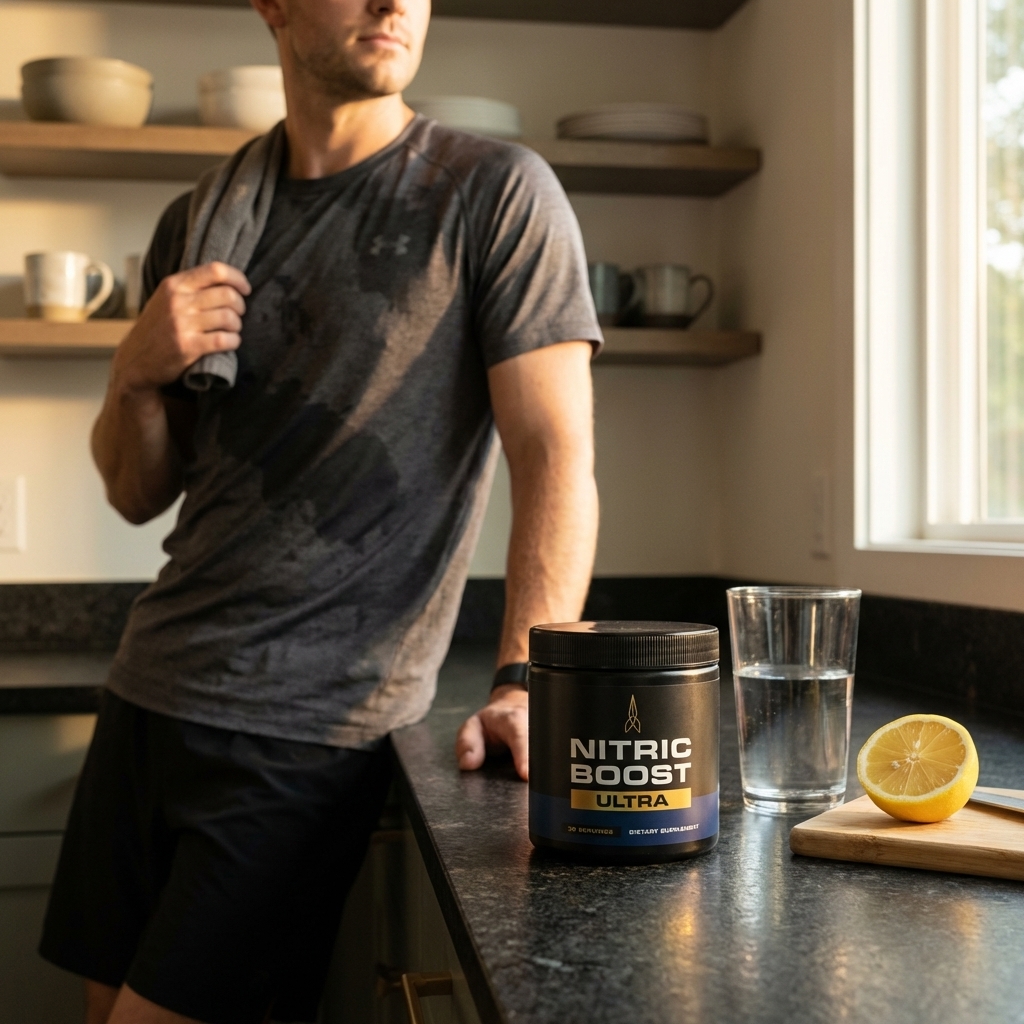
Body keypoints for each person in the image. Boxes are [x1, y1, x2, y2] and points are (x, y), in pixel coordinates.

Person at [39, 0, 600, 1021]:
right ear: (275, 6)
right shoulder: (200, 218)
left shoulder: (493, 193)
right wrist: (132, 373)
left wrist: (527, 678)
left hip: (307, 733)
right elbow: (135, 493)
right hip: (148, 692)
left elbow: (554, 454)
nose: (395, 4)